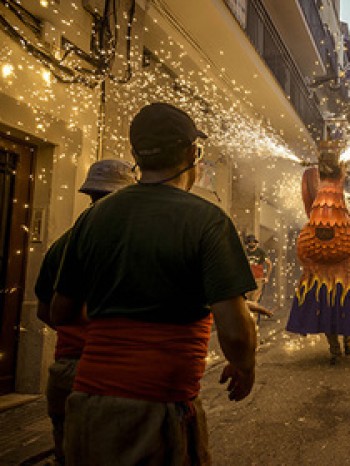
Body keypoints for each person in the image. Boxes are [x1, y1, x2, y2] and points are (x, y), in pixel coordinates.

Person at [50, 102, 258, 465]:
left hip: (87, 408)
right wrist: (245, 366)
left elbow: (61, 311)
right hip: (156, 412)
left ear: (136, 156)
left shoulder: (93, 218)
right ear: (194, 153)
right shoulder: (208, 220)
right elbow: (237, 335)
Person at [34, 159, 135, 465]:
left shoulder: (63, 244)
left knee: (69, 455)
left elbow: (44, 312)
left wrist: (78, 334)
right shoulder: (130, 245)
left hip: (67, 369)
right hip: (118, 372)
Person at [244, 234, 272, 303]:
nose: (251, 243)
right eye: (250, 242)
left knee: (254, 300)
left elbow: (269, 264)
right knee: (246, 300)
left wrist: (267, 277)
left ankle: (254, 314)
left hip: (258, 279)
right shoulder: (244, 252)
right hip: (247, 279)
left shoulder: (260, 252)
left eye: (253, 242)